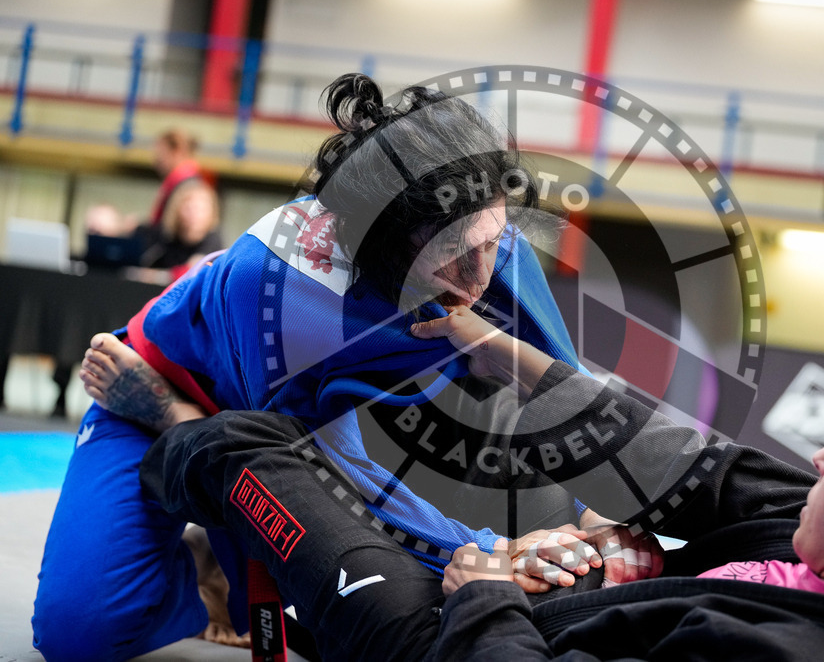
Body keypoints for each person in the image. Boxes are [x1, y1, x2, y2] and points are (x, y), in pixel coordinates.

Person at [32, 73, 599, 662]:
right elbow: (299, 477)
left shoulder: (489, 238)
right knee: (79, 634)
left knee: (554, 538)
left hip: (349, 405)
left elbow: (569, 401)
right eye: (454, 256)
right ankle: (202, 577)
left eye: (493, 239)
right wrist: (487, 552)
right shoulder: (284, 289)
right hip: (160, 389)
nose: (482, 278)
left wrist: (605, 521)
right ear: (379, 245)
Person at [80, 307, 824, 661]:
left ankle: (175, 434)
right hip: (536, 610)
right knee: (544, 522)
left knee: (298, 507)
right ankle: (237, 559)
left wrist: (489, 603)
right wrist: (508, 355)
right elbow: (687, 461)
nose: (818, 461)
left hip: (462, 646)